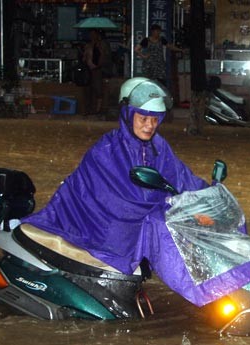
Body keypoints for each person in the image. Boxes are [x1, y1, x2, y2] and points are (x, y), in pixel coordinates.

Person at [21, 77, 208, 275]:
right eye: (143, 118)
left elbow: (180, 175)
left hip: (140, 225)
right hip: (104, 229)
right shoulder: (108, 149)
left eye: (155, 119)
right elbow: (98, 198)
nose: (149, 125)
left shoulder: (159, 146)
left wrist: (209, 196)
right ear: (128, 114)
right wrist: (153, 206)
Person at [83, 29, 112, 115]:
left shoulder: (102, 44)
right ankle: (92, 108)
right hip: (91, 69)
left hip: (98, 69)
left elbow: (104, 57)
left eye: (93, 34)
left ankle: (98, 109)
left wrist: (98, 66)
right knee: (91, 89)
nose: (92, 36)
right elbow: (85, 58)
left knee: (98, 89)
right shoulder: (89, 45)